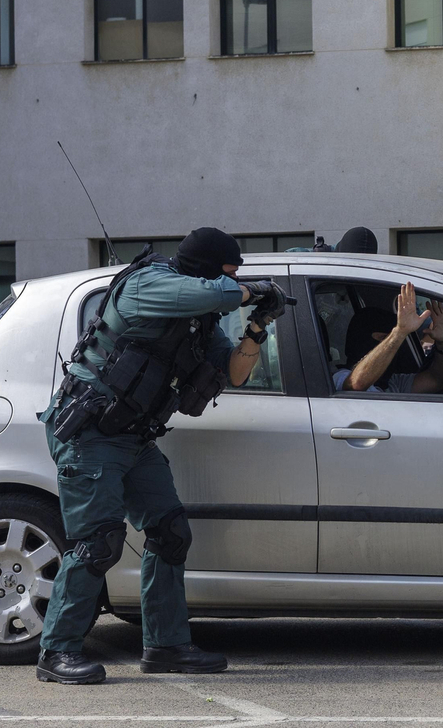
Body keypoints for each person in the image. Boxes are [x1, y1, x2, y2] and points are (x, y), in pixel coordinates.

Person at [35, 228, 289, 685]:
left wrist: (257, 326)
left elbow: (234, 372)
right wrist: (255, 290)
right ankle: (57, 652)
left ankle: (165, 645)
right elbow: (219, 292)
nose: (235, 278)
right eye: (230, 269)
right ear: (206, 267)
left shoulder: (200, 320)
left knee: (171, 533)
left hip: (134, 437)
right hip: (90, 433)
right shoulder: (149, 283)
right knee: (98, 542)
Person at [333, 284, 443, 393]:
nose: (394, 346)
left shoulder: (393, 383)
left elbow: (440, 380)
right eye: (384, 339)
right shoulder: (339, 377)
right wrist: (399, 333)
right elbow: (356, 385)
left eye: (390, 339)